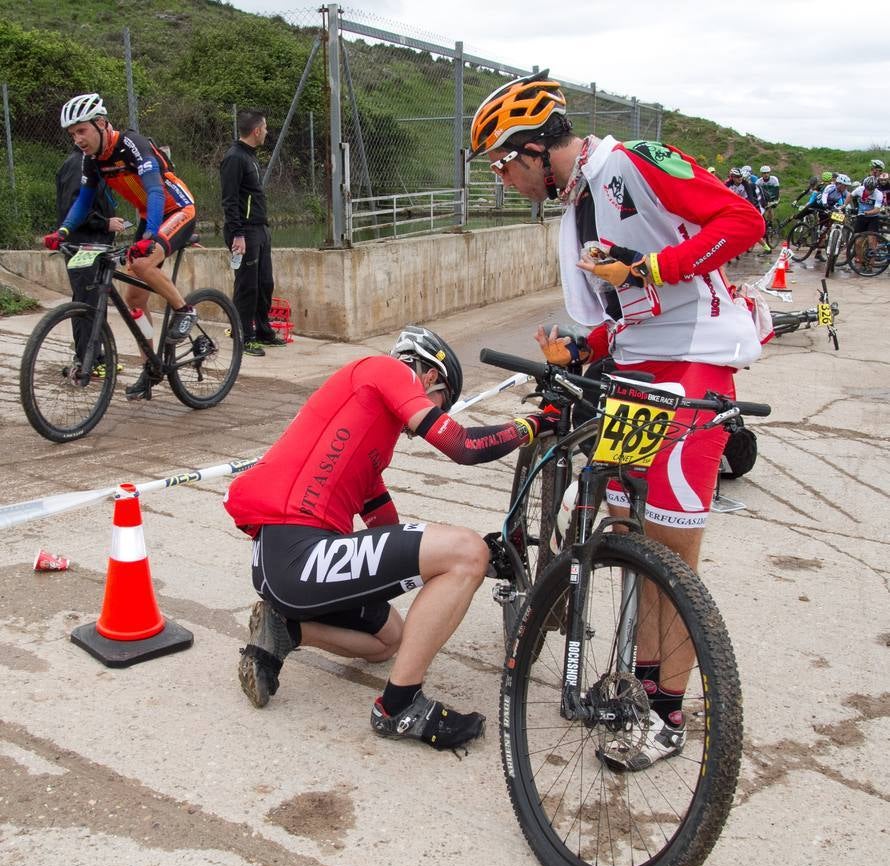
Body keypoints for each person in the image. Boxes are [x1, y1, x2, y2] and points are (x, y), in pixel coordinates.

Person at [468, 70, 763, 771]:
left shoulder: (629, 163)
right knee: (629, 532)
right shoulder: (575, 208)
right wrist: (586, 345)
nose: (504, 180)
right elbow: (624, 307)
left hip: (692, 363)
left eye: (504, 165)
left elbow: (742, 223)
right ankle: (639, 683)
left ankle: (667, 712)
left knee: (672, 554)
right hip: (635, 368)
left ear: (537, 148)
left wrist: (652, 267)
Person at [223, 326, 558, 752]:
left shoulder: (367, 438)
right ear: (429, 375)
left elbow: (389, 537)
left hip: (285, 564)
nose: (425, 419)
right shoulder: (388, 370)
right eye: (441, 401)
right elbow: (463, 446)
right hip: (297, 554)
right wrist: (535, 423)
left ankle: (286, 629)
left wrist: (484, 564)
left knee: (389, 641)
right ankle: (399, 707)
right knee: (465, 551)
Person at [43, 94, 199, 400]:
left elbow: (155, 191)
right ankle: (151, 367)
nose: (78, 139)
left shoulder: (132, 145)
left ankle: (185, 310)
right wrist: (63, 231)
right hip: (148, 217)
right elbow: (83, 201)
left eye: (82, 130)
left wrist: (149, 236)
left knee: (141, 264)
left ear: (101, 124)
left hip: (177, 209)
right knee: (135, 300)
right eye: (72, 134)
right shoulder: (92, 160)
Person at [55, 148, 127, 375]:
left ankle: (96, 356)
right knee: (86, 304)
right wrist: (105, 223)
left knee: (95, 303)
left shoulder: (92, 164)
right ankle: (87, 361)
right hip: (83, 246)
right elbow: (72, 209)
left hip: (97, 245)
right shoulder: (77, 165)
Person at [220, 109, 284, 358]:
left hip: (260, 228)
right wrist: (237, 234)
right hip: (244, 232)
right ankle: (243, 336)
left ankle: (263, 331)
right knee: (247, 286)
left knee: (264, 283)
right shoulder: (234, 158)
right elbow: (230, 200)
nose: (267, 132)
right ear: (256, 130)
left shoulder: (250, 156)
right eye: (265, 128)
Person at [848, 175, 884, 266]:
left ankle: (871, 264)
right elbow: (850, 196)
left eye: (871, 189)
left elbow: (877, 209)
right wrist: (844, 205)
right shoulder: (860, 189)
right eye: (867, 189)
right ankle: (862, 261)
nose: (868, 191)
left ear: (875, 188)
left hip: (873, 218)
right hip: (861, 217)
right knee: (858, 242)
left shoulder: (878, 194)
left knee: (872, 241)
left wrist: (867, 213)